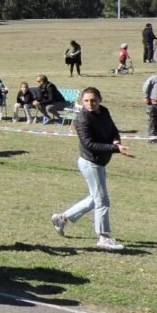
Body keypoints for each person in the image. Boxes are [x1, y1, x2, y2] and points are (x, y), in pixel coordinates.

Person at [50, 87, 134, 251]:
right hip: (90, 163)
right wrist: (115, 149)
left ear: (100, 100)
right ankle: (104, 237)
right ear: (82, 101)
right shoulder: (82, 119)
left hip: (100, 163)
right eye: (86, 101)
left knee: (94, 198)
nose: (90, 104)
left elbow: (113, 129)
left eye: (93, 100)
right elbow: (89, 144)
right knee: (102, 201)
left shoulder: (104, 111)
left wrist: (116, 141)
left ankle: (62, 218)